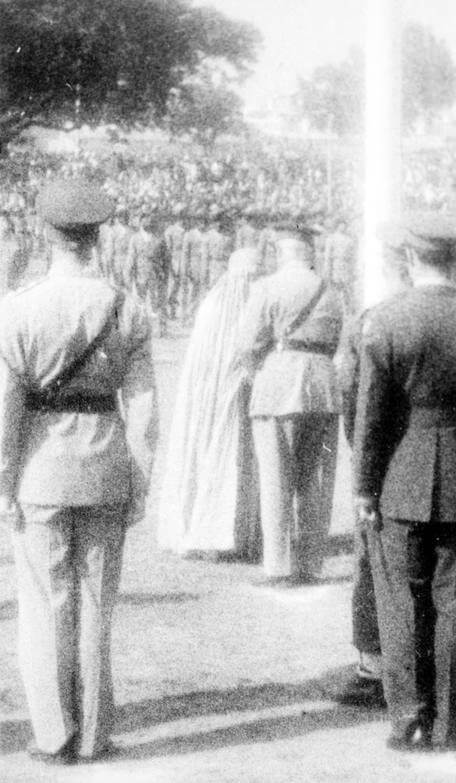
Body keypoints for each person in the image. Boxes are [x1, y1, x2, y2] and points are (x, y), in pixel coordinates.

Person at [0, 178, 158, 764]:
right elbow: (143, 409)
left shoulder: (17, 309)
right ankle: (93, 735)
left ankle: (54, 734)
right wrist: (140, 478)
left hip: (39, 470)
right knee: (96, 604)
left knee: (44, 606)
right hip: (106, 465)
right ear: (98, 235)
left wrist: (3, 481)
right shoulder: (127, 305)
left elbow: (4, 412)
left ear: (46, 233)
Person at [352, 212, 456, 751]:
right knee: (453, 604)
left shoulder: (386, 321)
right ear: (454, 259)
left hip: (400, 473)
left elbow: (370, 418)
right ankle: (448, 726)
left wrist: (363, 489)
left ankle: (407, 721)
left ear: (413, 259)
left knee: (400, 605)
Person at [236, 221, 343, 584]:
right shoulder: (331, 290)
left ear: (281, 252)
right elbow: (335, 337)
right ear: (308, 252)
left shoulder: (266, 287)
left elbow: (247, 342)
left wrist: (256, 372)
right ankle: (311, 563)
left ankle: (279, 565)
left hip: (278, 382)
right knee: (315, 481)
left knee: (275, 478)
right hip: (323, 385)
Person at [335, 226, 411, 709]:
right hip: (432, 459)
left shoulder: (366, 322)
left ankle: (374, 667)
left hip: (381, 462)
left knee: (372, 563)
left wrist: (363, 458)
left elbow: (351, 402)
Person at [158, 247, 263, 560]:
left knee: (233, 458)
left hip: (229, 397)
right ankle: (207, 532)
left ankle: (231, 534)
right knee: (216, 457)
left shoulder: (223, 306)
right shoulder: (217, 307)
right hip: (210, 398)